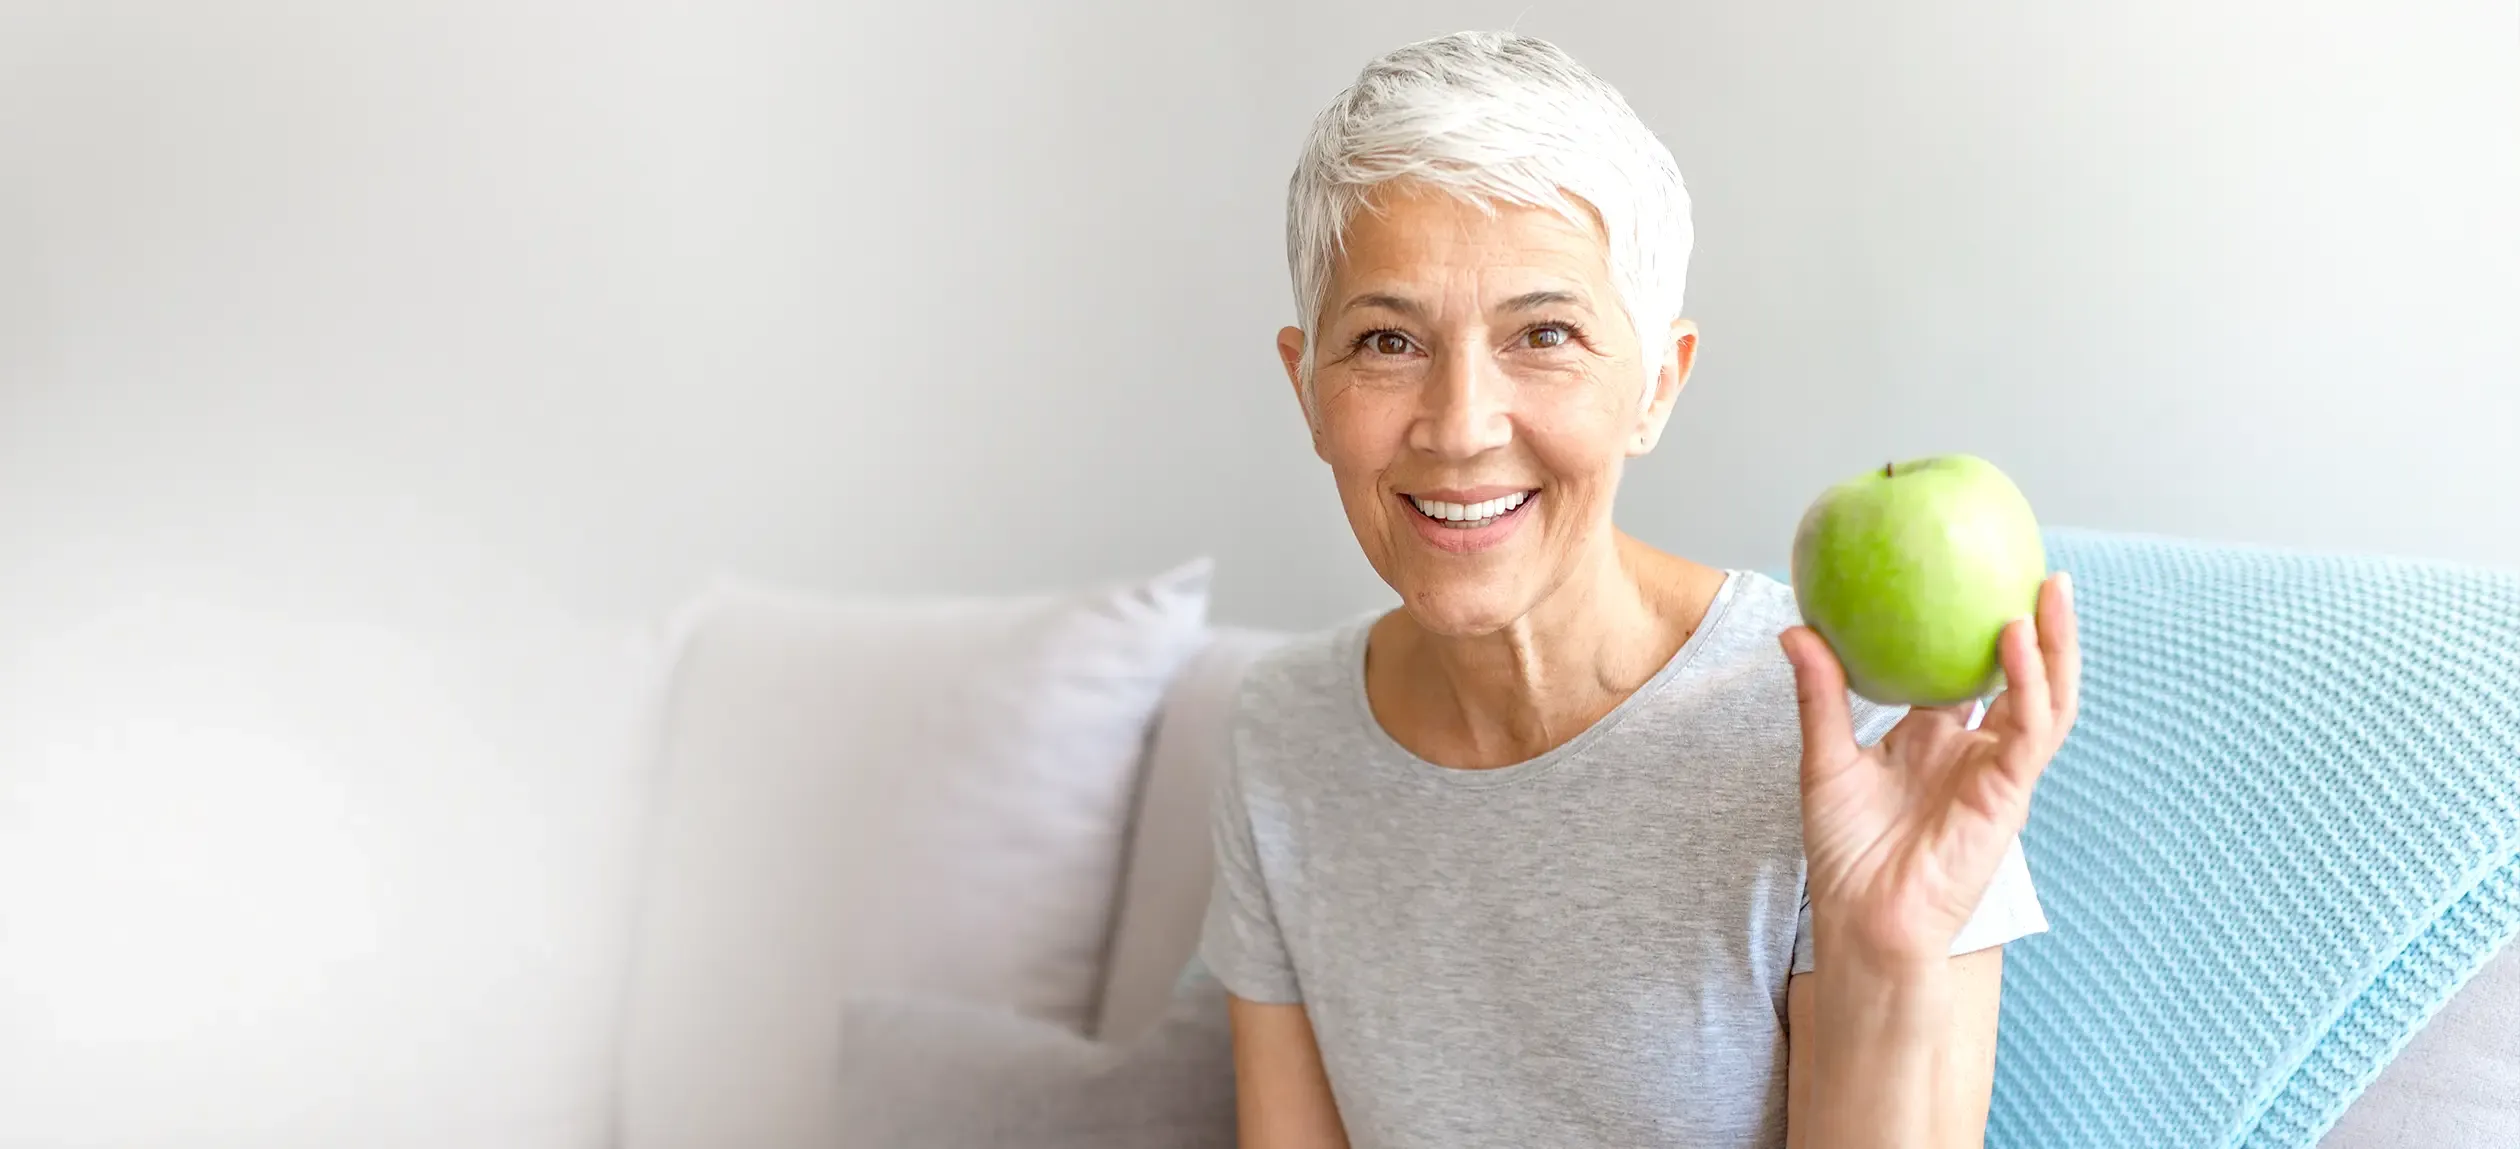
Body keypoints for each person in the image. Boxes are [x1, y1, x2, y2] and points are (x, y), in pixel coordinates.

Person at [1198, 30, 2081, 1149]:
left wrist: (1890, 964)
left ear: (1657, 384)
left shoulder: (1858, 739)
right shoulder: (1283, 737)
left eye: (1544, 333)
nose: (1460, 426)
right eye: (1387, 341)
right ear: (1307, 389)